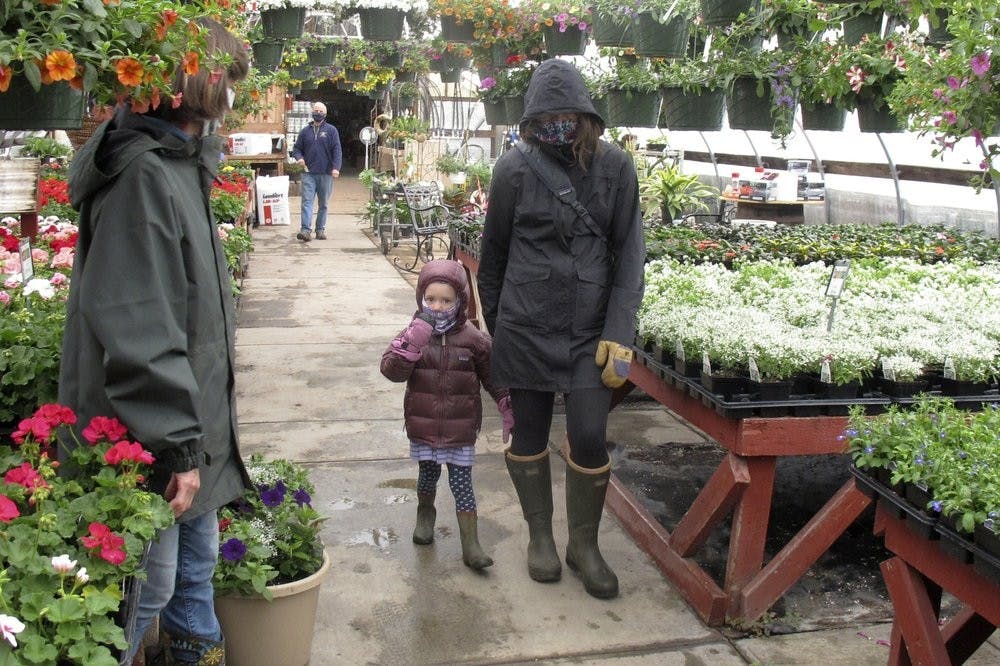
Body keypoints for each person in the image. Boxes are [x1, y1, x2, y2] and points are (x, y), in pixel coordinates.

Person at [58, 19, 250, 665]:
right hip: (151, 438)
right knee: (146, 590)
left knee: (193, 577)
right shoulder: (146, 176)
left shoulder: (178, 163)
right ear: (201, 85)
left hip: (189, 426)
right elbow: (140, 325)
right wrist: (176, 447)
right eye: (230, 83)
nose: (234, 100)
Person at [477, 59, 645, 600]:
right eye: (545, 118)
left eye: (566, 116)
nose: (556, 127)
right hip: (525, 325)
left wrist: (620, 332)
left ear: (585, 115)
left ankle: (585, 546)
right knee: (526, 433)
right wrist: (500, 326)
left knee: (591, 433)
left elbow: (630, 255)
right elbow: (495, 255)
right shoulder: (513, 169)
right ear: (530, 120)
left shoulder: (616, 168)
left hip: (591, 331)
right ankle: (541, 539)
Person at [380, 259, 514, 570]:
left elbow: (494, 376)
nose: (438, 307)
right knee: (427, 476)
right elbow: (391, 371)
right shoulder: (413, 333)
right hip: (423, 424)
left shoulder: (475, 340)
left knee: (462, 483)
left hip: (461, 428)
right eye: (431, 299)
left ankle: (471, 544)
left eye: (446, 300)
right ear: (420, 299)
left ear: (461, 301)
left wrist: (506, 403)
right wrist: (409, 347)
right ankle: (425, 517)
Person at [291, 101, 342, 242]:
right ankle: (305, 230)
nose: (318, 113)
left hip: (326, 173)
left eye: (320, 111)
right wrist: (299, 158)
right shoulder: (305, 131)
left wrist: (336, 168)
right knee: (307, 201)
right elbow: (296, 148)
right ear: (312, 112)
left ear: (325, 114)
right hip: (308, 173)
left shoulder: (331, 131)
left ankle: (320, 229)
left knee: (323, 203)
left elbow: (337, 150)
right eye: (316, 110)